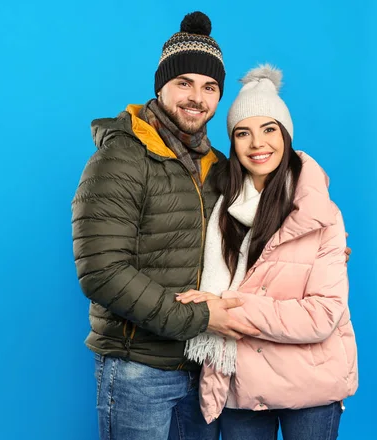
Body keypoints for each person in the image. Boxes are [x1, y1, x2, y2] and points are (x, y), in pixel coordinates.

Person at [71, 10, 261, 440]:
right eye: (184, 83)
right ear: (161, 85)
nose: (197, 98)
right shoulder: (121, 159)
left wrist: (319, 247)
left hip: (204, 367)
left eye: (210, 87)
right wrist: (200, 317)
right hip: (139, 369)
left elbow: (256, 237)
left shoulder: (220, 168)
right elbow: (102, 272)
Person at [176, 64, 358, 440]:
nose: (258, 143)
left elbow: (322, 315)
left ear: (286, 135)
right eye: (243, 133)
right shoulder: (220, 213)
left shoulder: (320, 214)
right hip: (243, 387)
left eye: (269, 129)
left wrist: (225, 304)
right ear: (233, 144)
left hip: (312, 385)